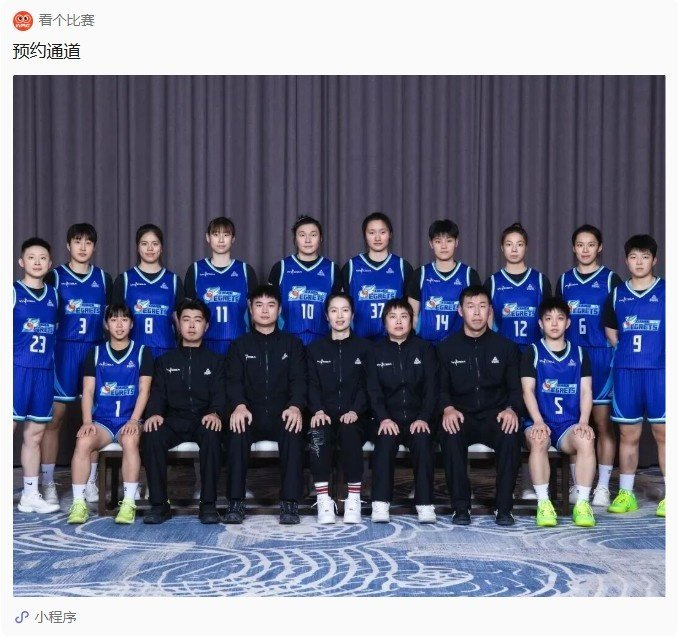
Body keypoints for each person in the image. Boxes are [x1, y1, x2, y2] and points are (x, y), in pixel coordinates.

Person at [437, 285, 523, 526]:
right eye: (470, 306)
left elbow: (516, 390)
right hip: (461, 415)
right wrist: (447, 408)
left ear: (490, 311)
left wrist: (511, 409)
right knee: (449, 432)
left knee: (511, 432)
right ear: (460, 311)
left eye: (482, 306)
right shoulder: (445, 348)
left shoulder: (506, 348)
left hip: (495, 416)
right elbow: (439, 390)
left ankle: (503, 508)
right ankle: (460, 507)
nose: (476, 312)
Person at [41, 223, 113, 508]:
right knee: (54, 419)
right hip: (63, 352)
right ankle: (48, 482)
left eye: (88, 242)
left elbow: (111, 320)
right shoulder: (55, 276)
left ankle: (91, 481)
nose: (83, 247)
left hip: (93, 353)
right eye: (77, 241)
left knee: (94, 421)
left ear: (94, 247)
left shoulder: (104, 279)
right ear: (68, 245)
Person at [225, 285, 307, 525]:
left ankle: (290, 503)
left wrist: (295, 406)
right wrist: (239, 405)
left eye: (271, 305)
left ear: (279, 310)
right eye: (259, 305)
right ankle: (235, 502)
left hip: (283, 413)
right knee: (237, 430)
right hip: (250, 414)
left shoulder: (292, 344)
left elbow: (300, 381)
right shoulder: (239, 345)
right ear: (250, 310)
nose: (264, 311)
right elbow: (233, 381)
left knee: (293, 429)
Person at [141, 299, 226, 524]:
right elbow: (157, 393)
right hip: (173, 419)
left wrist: (216, 412)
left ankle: (208, 504)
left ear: (206, 326)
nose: (191, 325)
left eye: (197, 320)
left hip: (203, 419)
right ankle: (159, 505)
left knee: (212, 434)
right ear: (178, 324)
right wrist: (155, 413)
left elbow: (220, 394)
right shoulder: (164, 361)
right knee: (152, 434)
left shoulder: (216, 361)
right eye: (186, 320)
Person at [67, 303, 153, 524]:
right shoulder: (95, 353)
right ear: (106, 325)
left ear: (131, 324)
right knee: (83, 441)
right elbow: (87, 391)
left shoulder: (142, 352)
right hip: (103, 422)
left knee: (130, 440)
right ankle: (79, 503)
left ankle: (129, 502)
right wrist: (87, 421)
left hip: (129, 419)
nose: (119, 325)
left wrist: (134, 420)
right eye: (114, 320)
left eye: (124, 319)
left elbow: (144, 390)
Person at [555, 224, 622, 507]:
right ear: (573, 248)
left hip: (601, 357)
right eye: (580, 244)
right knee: (573, 423)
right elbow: (556, 321)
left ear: (600, 247)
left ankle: (603, 486)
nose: (585, 250)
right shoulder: (564, 280)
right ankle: (576, 482)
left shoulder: (610, 279)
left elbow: (619, 320)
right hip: (572, 358)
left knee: (603, 422)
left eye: (591, 244)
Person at [486, 222, 552, 500]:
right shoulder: (493, 282)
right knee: (507, 413)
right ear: (502, 249)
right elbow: (488, 322)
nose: (514, 249)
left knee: (533, 414)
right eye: (509, 244)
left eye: (519, 244)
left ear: (526, 247)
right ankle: (508, 481)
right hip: (503, 357)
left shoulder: (539, 281)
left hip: (533, 356)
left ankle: (530, 481)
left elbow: (549, 321)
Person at [521, 297, 597, 528]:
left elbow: (586, 391)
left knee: (586, 438)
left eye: (560, 318)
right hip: (538, 421)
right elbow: (527, 391)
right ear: (540, 323)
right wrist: (537, 421)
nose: (554, 324)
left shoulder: (580, 353)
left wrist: (583, 421)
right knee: (538, 439)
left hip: (567, 426)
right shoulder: (532, 351)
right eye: (548, 319)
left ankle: (582, 503)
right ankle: (544, 503)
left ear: (568, 323)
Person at [604, 234, 665, 517]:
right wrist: (625, 352)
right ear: (626, 260)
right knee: (628, 434)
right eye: (633, 257)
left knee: (664, 434)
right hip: (626, 372)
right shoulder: (617, 294)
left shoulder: (667, 291)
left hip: (659, 372)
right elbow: (611, 329)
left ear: (654, 260)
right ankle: (626, 494)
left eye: (645, 257)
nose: (639, 262)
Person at [367, 298, 437, 524]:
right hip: (388, 419)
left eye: (404, 317)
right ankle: (380, 502)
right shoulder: (375, 351)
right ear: (384, 322)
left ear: (412, 321)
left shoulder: (425, 349)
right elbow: (373, 391)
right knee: (385, 442)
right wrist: (384, 419)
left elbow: (431, 388)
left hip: (418, 418)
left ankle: (425, 503)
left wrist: (424, 417)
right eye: (392, 317)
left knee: (423, 442)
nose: (398, 322)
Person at [306, 293, 374, 524]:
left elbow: (368, 386)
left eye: (345, 310)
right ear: (326, 316)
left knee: (349, 430)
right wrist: (317, 410)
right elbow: (311, 384)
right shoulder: (314, 349)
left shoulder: (366, 348)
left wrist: (355, 410)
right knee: (318, 433)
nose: (340, 315)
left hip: (355, 416)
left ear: (353, 314)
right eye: (334, 310)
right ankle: (323, 500)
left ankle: (353, 499)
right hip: (324, 414)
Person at [14, 237, 61, 513]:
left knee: (35, 434)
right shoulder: (12, 292)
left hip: (43, 372)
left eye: (43, 258)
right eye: (31, 257)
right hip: (16, 369)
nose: (37, 262)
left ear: (50, 263)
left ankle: (30, 494)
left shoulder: (54, 295)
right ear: (21, 262)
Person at [184, 216, 258, 356]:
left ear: (233, 238)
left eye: (226, 235)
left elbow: (255, 312)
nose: (221, 240)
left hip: (238, 342)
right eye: (216, 234)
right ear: (208, 237)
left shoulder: (245, 270)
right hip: (204, 343)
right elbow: (187, 313)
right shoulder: (196, 269)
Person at [112, 224, 184, 359]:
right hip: (133, 353)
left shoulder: (174, 281)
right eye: (144, 244)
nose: (150, 248)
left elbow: (180, 323)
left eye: (155, 244)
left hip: (166, 351)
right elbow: (113, 321)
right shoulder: (124, 280)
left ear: (161, 247)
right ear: (137, 247)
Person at [268, 215, 342, 347]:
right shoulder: (281, 268)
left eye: (313, 235)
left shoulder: (331, 269)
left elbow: (340, 308)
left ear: (321, 238)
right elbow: (269, 307)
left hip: (323, 341)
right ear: (295, 239)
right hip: (287, 341)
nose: (308, 240)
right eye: (302, 235)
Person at [341, 212, 413, 341]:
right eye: (372, 232)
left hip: (393, 342)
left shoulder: (403, 267)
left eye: (382, 232)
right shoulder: (351, 267)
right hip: (360, 342)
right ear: (365, 235)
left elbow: (411, 309)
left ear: (390, 234)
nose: (377, 238)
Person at [407, 219, 481, 343]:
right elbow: (412, 315)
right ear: (431, 244)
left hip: (459, 346)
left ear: (456, 242)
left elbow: (477, 313)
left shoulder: (469, 275)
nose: (443, 246)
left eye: (449, 241)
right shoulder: (420, 274)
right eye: (438, 241)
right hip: (426, 345)